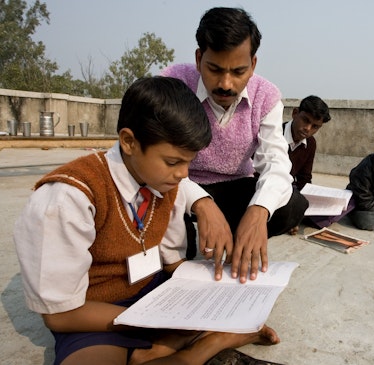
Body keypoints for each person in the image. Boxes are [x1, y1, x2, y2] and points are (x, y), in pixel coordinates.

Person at [13, 77, 279, 365]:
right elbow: (60, 315)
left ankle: (169, 346)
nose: (183, 174)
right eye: (173, 162)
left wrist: (217, 286)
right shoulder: (68, 199)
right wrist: (156, 322)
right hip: (93, 313)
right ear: (129, 142)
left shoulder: (165, 183)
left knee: (236, 302)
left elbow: (172, 264)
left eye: (188, 162)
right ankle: (205, 344)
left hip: (154, 295)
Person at [161, 7, 308, 283]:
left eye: (238, 71)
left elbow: (276, 164)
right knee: (162, 199)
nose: (225, 84)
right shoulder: (173, 83)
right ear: (198, 58)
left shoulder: (267, 97)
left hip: (237, 187)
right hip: (179, 184)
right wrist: (201, 203)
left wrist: (258, 212)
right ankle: (194, 235)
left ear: (253, 65)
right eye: (214, 69)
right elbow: (157, 161)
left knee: (292, 203)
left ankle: (236, 232)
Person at [283, 95, 331, 191]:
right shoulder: (274, 134)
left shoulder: (310, 143)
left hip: (287, 191)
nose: (308, 128)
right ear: (295, 113)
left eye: (315, 126)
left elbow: (304, 179)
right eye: (305, 120)